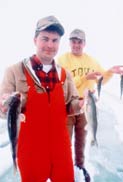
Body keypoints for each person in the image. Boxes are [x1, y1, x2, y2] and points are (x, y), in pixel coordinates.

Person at [0, 16, 84, 182]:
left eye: (55, 40)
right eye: (45, 39)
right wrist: (4, 104)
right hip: (30, 151)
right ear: (35, 40)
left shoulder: (65, 74)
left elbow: (71, 105)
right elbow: (3, 111)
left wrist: (80, 104)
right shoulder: (14, 71)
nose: (50, 45)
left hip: (61, 149)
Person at [57, 28, 123, 181]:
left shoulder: (92, 61)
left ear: (84, 43)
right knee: (65, 140)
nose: (76, 45)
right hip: (68, 104)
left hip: (87, 103)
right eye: (73, 41)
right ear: (69, 43)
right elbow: (63, 83)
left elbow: (102, 79)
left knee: (82, 139)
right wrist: (85, 77)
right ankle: (63, 169)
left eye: (79, 41)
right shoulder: (62, 60)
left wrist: (110, 71)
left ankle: (79, 167)